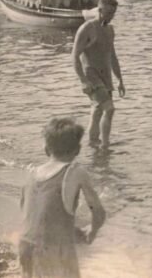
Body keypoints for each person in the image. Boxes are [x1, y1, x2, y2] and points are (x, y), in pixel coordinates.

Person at [18, 118, 106, 278]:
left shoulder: (31, 172)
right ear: (78, 150)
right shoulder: (76, 172)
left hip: (25, 244)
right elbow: (98, 212)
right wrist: (91, 232)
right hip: (53, 248)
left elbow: (28, 210)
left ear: (46, 149)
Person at [72, 0, 125, 148]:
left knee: (97, 112)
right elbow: (74, 56)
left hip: (105, 76)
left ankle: (93, 145)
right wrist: (83, 80)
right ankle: (106, 146)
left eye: (113, 13)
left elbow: (112, 56)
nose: (111, 17)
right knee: (109, 108)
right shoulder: (87, 28)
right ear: (100, 10)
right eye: (108, 13)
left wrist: (120, 79)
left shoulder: (110, 30)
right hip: (91, 76)